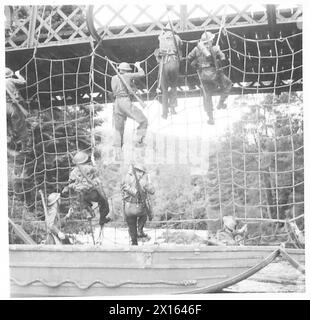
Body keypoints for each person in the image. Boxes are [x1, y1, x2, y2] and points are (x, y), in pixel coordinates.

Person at [187, 31, 232, 125]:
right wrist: (218, 55)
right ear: (210, 40)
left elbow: (188, 58)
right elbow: (223, 58)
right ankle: (221, 103)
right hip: (215, 74)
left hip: (203, 75)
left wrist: (197, 65)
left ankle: (210, 118)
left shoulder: (196, 49)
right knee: (228, 84)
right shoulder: (215, 48)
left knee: (207, 96)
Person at [63, 151, 110, 228]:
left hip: (81, 194)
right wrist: (103, 165)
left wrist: (69, 187)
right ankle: (102, 218)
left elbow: (70, 182)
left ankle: (89, 212)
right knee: (103, 201)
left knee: (84, 201)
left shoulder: (73, 172)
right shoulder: (89, 168)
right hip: (91, 192)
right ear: (85, 160)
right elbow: (99, 171)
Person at [111, 61, 148, 160]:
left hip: (116, 103)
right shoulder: (127, 76)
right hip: (125, 102)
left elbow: (114, 91)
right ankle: (138, 141)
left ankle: (118, 156)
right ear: (127, 70)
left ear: (119, 69)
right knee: (143, 121)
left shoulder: (113, 78)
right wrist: (138, 66)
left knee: (118, 130)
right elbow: (142, 74)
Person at [121, 163, 155, 245]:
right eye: (142, 173)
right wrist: (149, 181)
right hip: (138, 208)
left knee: (131, 225)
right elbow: (152, 191)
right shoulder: (143, 182)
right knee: (144, 215)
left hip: (127, 208)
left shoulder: (126, 179)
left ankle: (134, 243)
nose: (142, 174)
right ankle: (140, 230)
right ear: (141, 172)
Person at [156, 23, 182, 119]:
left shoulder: (161, 37)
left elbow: (160, 46)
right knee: (174, 87)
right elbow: (180, 46)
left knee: (164, 89)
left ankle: (164, 113)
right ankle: (173, 108)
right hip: (174, 62)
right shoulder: (177, 37)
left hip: (164, 64)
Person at [6, 67, 28, 150]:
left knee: (8, 126)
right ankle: (24, 148)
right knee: (20, 125)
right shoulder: (10, 80)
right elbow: (23, 82)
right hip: (12, 106)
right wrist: (18, 74)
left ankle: (10, 145)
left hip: (4, 106)